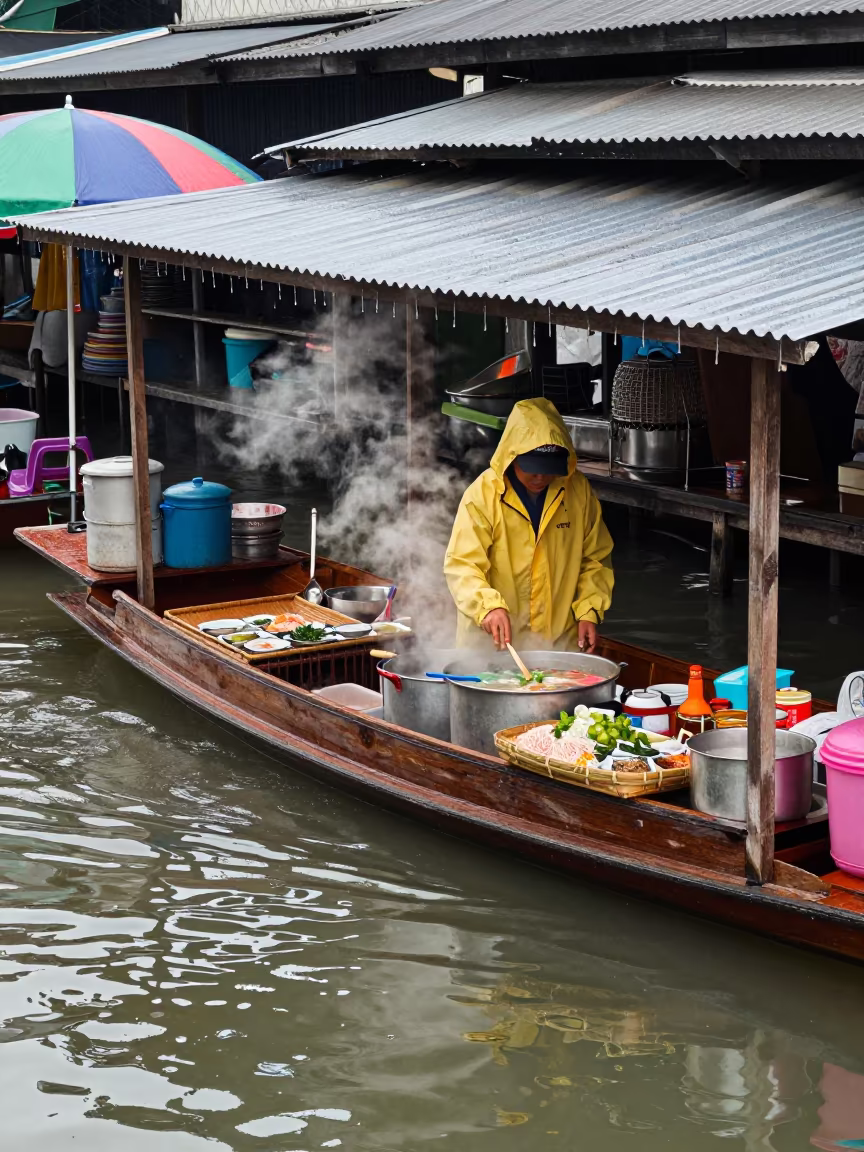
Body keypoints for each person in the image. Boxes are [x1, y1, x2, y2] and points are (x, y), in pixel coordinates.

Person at [444, 397, 613, 653]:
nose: (540, 477)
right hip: (493, 649)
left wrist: (589, 610)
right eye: (532, 469)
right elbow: (462, 565)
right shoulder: (482, 495)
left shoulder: (578, 491)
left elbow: (596, 559)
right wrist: (488, 606)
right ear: (512, 457)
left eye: (548, 470)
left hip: (557, 647)